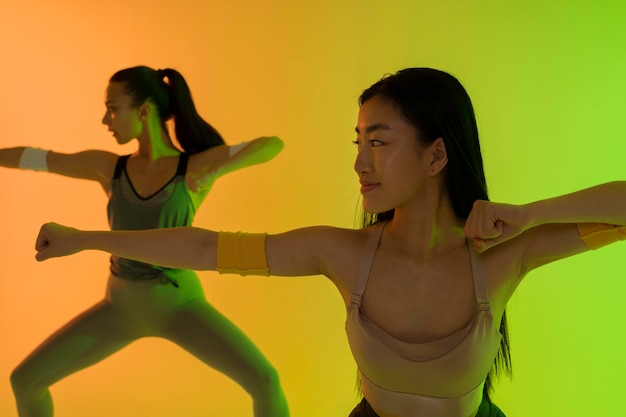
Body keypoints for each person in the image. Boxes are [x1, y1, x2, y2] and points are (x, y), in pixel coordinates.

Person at [32, 68, 626, 417]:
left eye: (379, 142)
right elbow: (207, 248)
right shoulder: (342, 253)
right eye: (357, 143)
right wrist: (87, 239)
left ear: (436, 154)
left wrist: (528, 215)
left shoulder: (502, 256)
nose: (360, 163)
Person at [4, 66, 289, 417]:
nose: (105, 119)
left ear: (143, 111)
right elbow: (35, 158)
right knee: (25, 380)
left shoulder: (192, 167)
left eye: (112, 108)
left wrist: (216, 169)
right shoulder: (108, 167)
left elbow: (272, 145)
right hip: (120, 308)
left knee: (265, 381)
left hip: (179, 306)